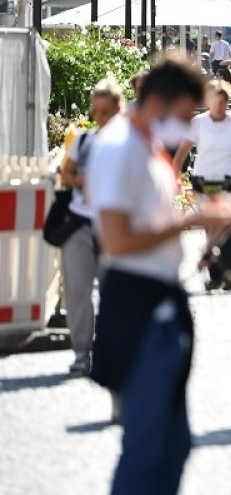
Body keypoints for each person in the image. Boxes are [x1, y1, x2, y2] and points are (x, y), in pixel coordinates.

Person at [88, 60, 231, 494]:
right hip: (138, 301)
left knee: (173, 444)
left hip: (160, 299)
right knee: (147, 444)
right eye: (184, 113)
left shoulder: (145, 145)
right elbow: (116, 241)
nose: (186, 126)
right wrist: (190, 222)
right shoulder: (120, 149)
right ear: (158, 102)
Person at [60, 78, 123, 376]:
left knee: (114, 293)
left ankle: (110, 351)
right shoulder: (84, 141)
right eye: (96, 111)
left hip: (114, 227)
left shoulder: (127, 146)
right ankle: (82, 351)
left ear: (118, 110)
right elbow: (66, 175)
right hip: (80, 222)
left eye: (107, 112)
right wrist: (81, 181)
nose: (101, 118)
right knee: (77, 290)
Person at [172, 80, 231, 291]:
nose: (219, 106)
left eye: (222, 102)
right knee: (211, 228)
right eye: (215, 102)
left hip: (229, 180)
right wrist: (172, 175)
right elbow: (182, 152)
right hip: (204, 180)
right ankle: (214, 275)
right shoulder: (198, 123)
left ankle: (229, 273)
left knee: (227, 227)